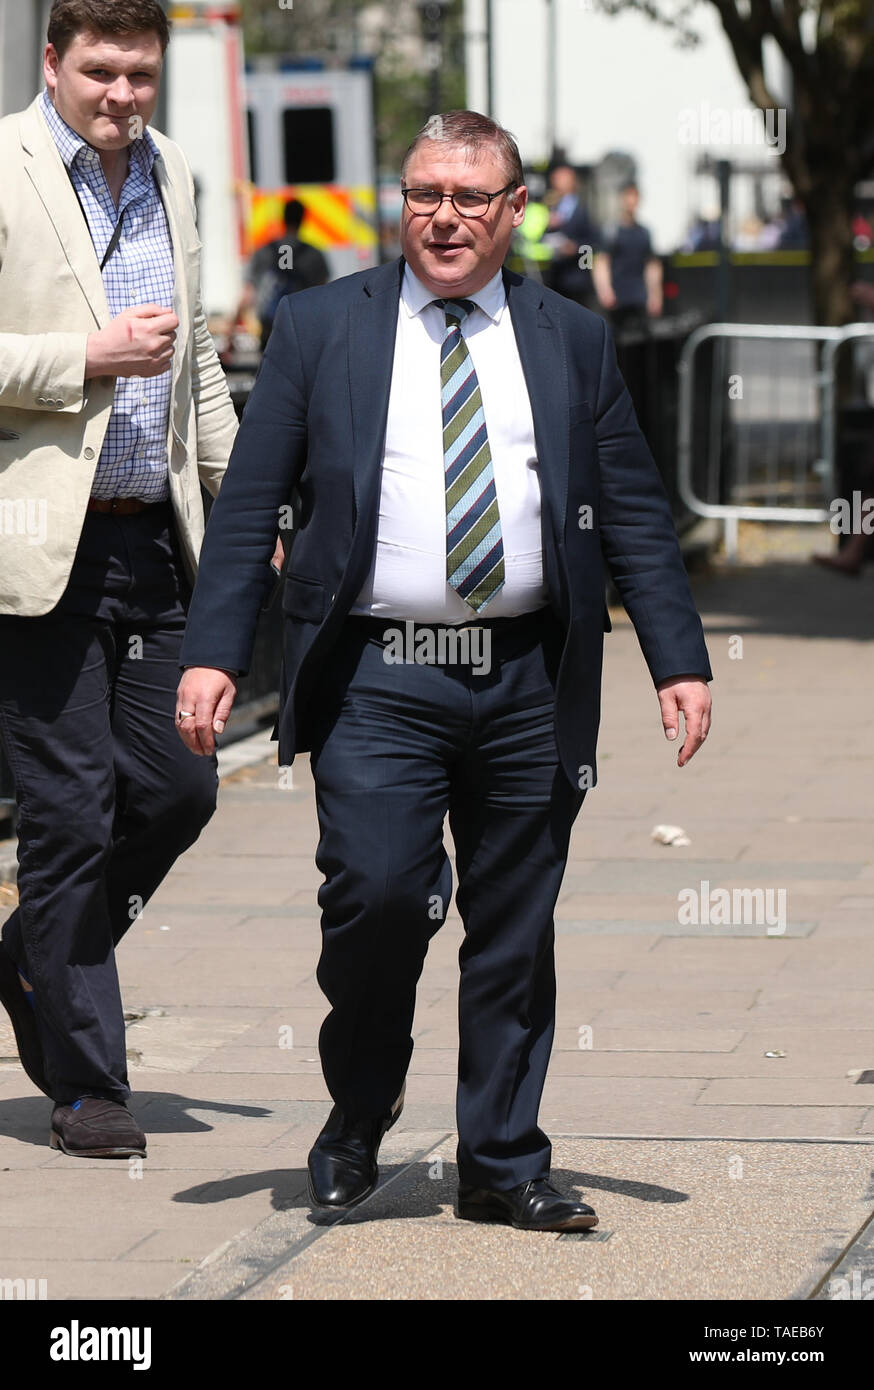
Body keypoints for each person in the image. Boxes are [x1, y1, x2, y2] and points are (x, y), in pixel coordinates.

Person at [177, 110, 713, 1233]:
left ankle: (502, 1159)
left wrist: (679, 658)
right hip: (381, 674)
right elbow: (246, 507)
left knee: (516, 924)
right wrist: (216, 651)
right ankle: (356, 1118)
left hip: (528, 674)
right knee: (375, 897)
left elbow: (629, 509)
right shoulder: (325, 326)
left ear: (516, 211)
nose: (446, 217)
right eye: (426, 192)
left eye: (472, 197)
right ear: (400, 201)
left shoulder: (568, 337)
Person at [0, 0, 239, 1159]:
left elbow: (194, 362)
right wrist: (82, 359)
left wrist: (245, 508)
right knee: (67, 818)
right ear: (54, 63)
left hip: (156, 541)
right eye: (100, 72)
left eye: (141, 73)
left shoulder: (175, 172)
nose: (122, 96)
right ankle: (89, 1080)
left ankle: (30, 956)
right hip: (39, 548)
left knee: (180, 789)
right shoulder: (3, 167)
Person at [235, 197, 330, 353]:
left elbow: (248, 293)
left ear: (283, 219)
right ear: (303, 220)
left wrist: (233, 324)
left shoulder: (264, 252)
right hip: (302, 327)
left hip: (271, 325)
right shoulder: (314, 255)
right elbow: (325, 294)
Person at [594, 181, 663, 334]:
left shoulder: (644, 232)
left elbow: (652, 265)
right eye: (628, 196)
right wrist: (605, 291)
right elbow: (601, 263)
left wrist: (655, 295)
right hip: (618, 297)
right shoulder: (611, 231)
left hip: (639, 297)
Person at [541, 162, 602, 308]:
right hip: (555, 276)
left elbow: (594, 244)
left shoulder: (584, 210)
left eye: (562, 178)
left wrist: (575, 248)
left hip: (578, 279)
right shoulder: (550, 207)